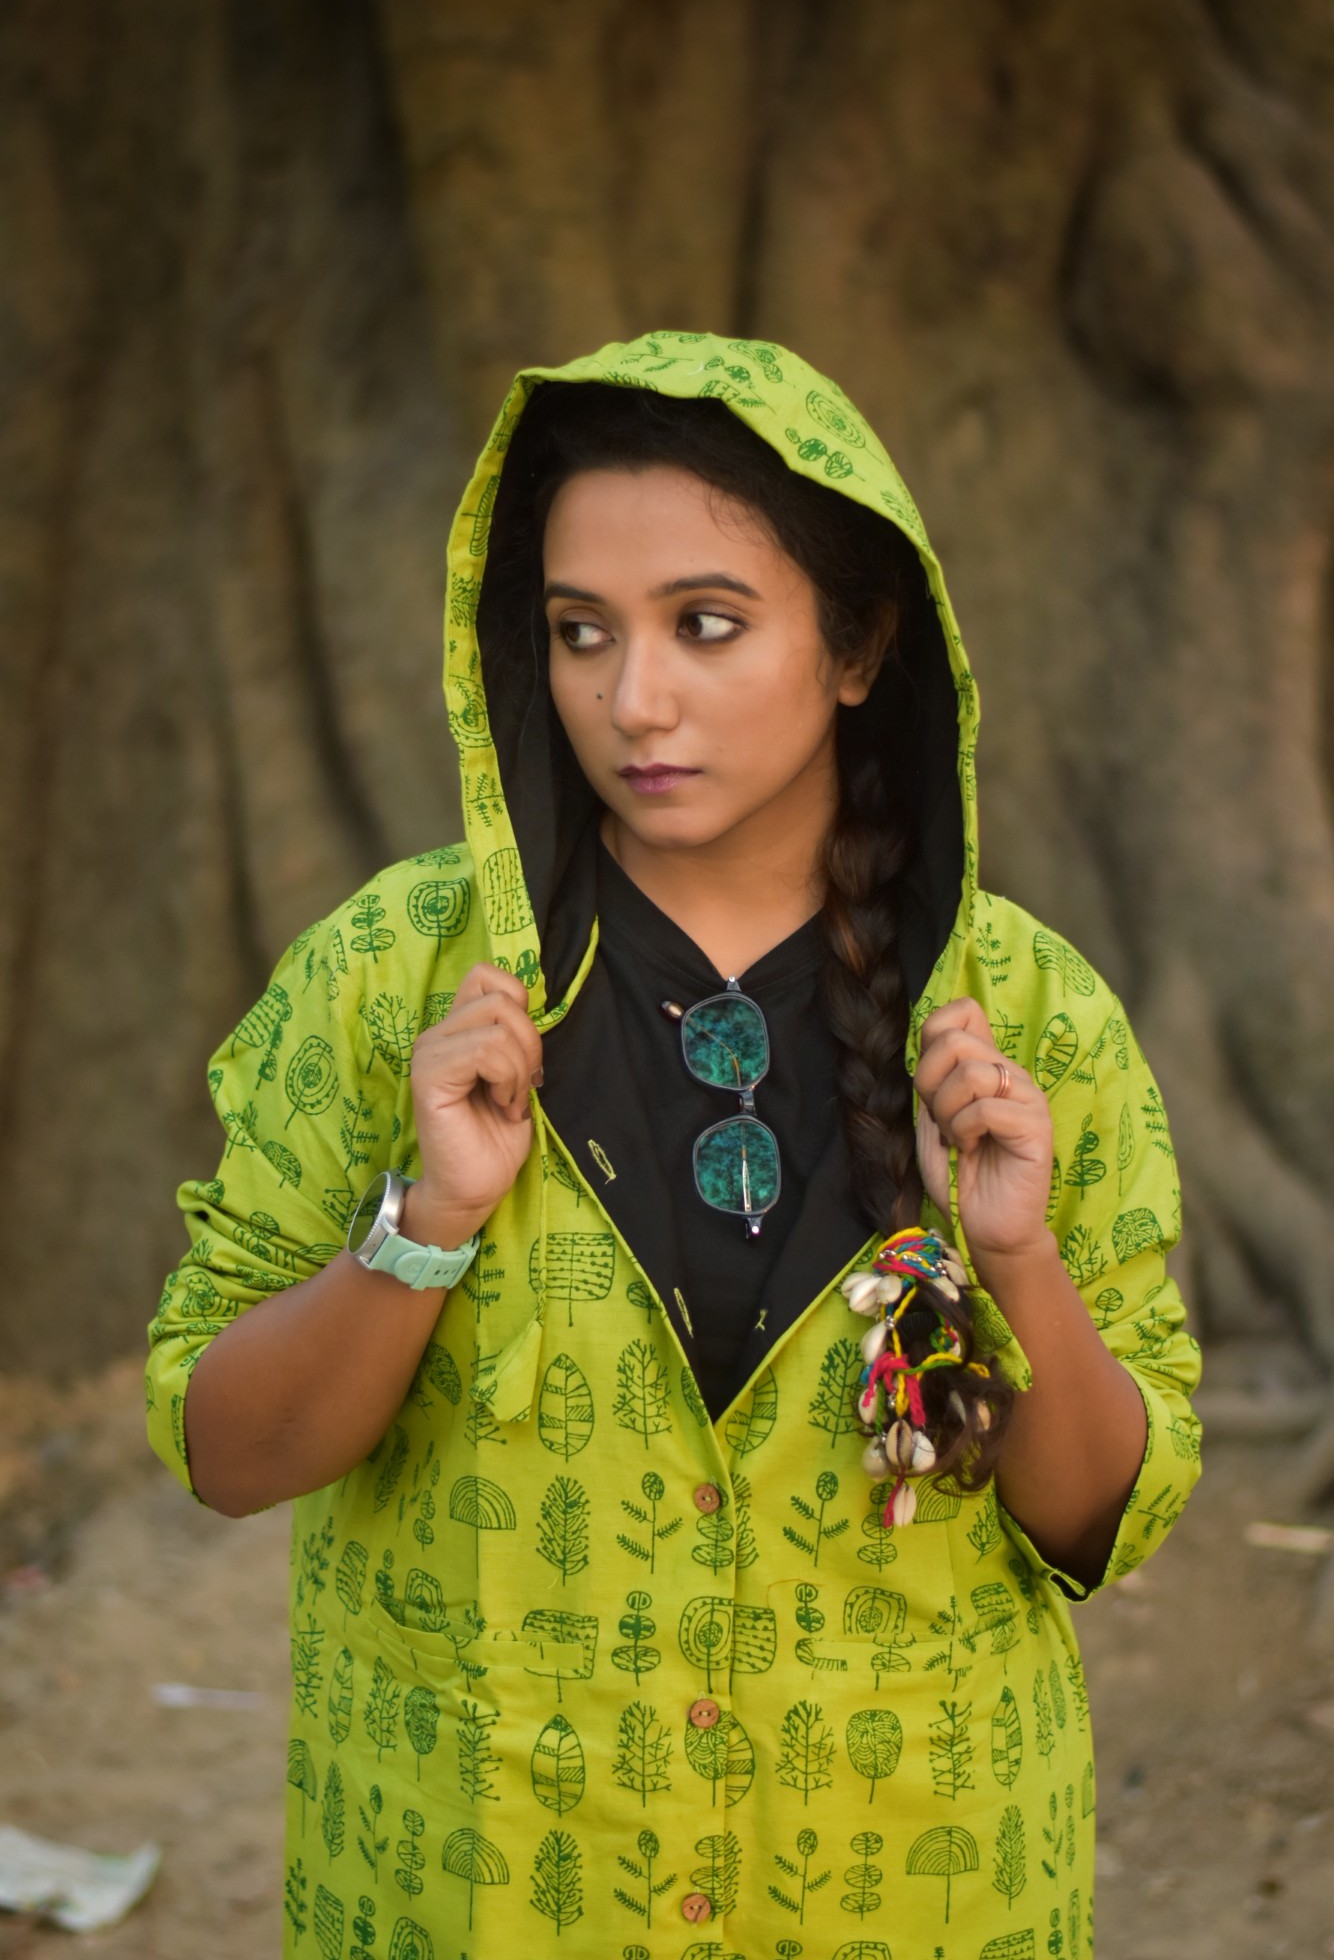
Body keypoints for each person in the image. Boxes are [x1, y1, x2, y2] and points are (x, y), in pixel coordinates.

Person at [146, 329, 1202, 1959]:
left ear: (859, 645)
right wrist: (422, 1226)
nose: (631, 700)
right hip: (490, 1886)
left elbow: (1094, 1524)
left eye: (705, 624)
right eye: (580, 632)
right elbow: (228, 1453)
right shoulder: (391, 982)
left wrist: (1014, 1257)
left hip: (906, 1884)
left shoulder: (1024, 1019)